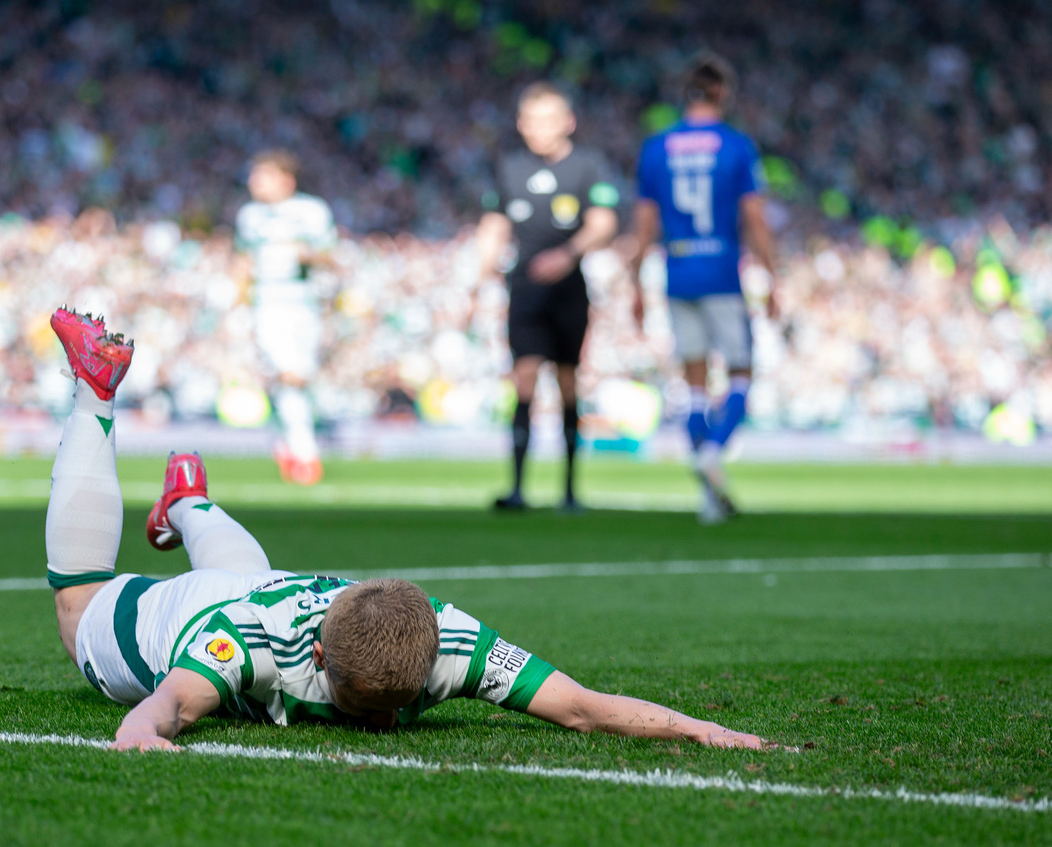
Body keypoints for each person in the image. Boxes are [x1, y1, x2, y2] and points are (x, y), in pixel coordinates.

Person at [45, 306, 767, 751]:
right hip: (193, 613)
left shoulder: (449, 637)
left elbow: (583, 708)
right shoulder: (245, 644)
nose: (384, 727)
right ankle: (96, 393)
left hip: (258, 585)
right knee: (78, 609)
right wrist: (140, 734)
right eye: (366, 711)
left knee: (246, 576)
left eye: (392, 709)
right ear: (318, 653)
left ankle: (187, 501)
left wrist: (704, 729)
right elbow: (165, 706)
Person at [628, 52, 779, 525]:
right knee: (740, 372)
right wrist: (771, 275)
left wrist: (636, 282)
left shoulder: (656, 148)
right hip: (721, 273)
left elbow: (645, 222)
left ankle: (709, 497)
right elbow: (753, 217)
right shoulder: (736, 146)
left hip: (678, 272)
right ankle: (711, 452)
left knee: (693, 381)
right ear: (722, 93)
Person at [475, 83, 621, 512]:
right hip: (524, 288)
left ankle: (570, 491)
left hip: (569, 289)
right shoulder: (509, 168)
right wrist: (481, 275)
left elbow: (603, 223)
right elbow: (494, 225)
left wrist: (567, 254)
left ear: (568, 122)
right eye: (533, 121)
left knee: (567, 381)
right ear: (521, 124)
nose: (540, 129)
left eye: (549, 120)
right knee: (523, 376)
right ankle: (517, 487)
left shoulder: (587, 166)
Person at [233, 150, 338, 485]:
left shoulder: (311, 211)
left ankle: (286, 446)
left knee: (296, 378)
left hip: (304, 303)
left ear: (286, 180)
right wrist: (237, 304)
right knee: (287, 373)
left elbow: (331, 256)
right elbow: (243, 262)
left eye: (262, 175)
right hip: (268, 302)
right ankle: (306, 455)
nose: (254, 182)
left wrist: (308, 255)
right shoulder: (249, 216)